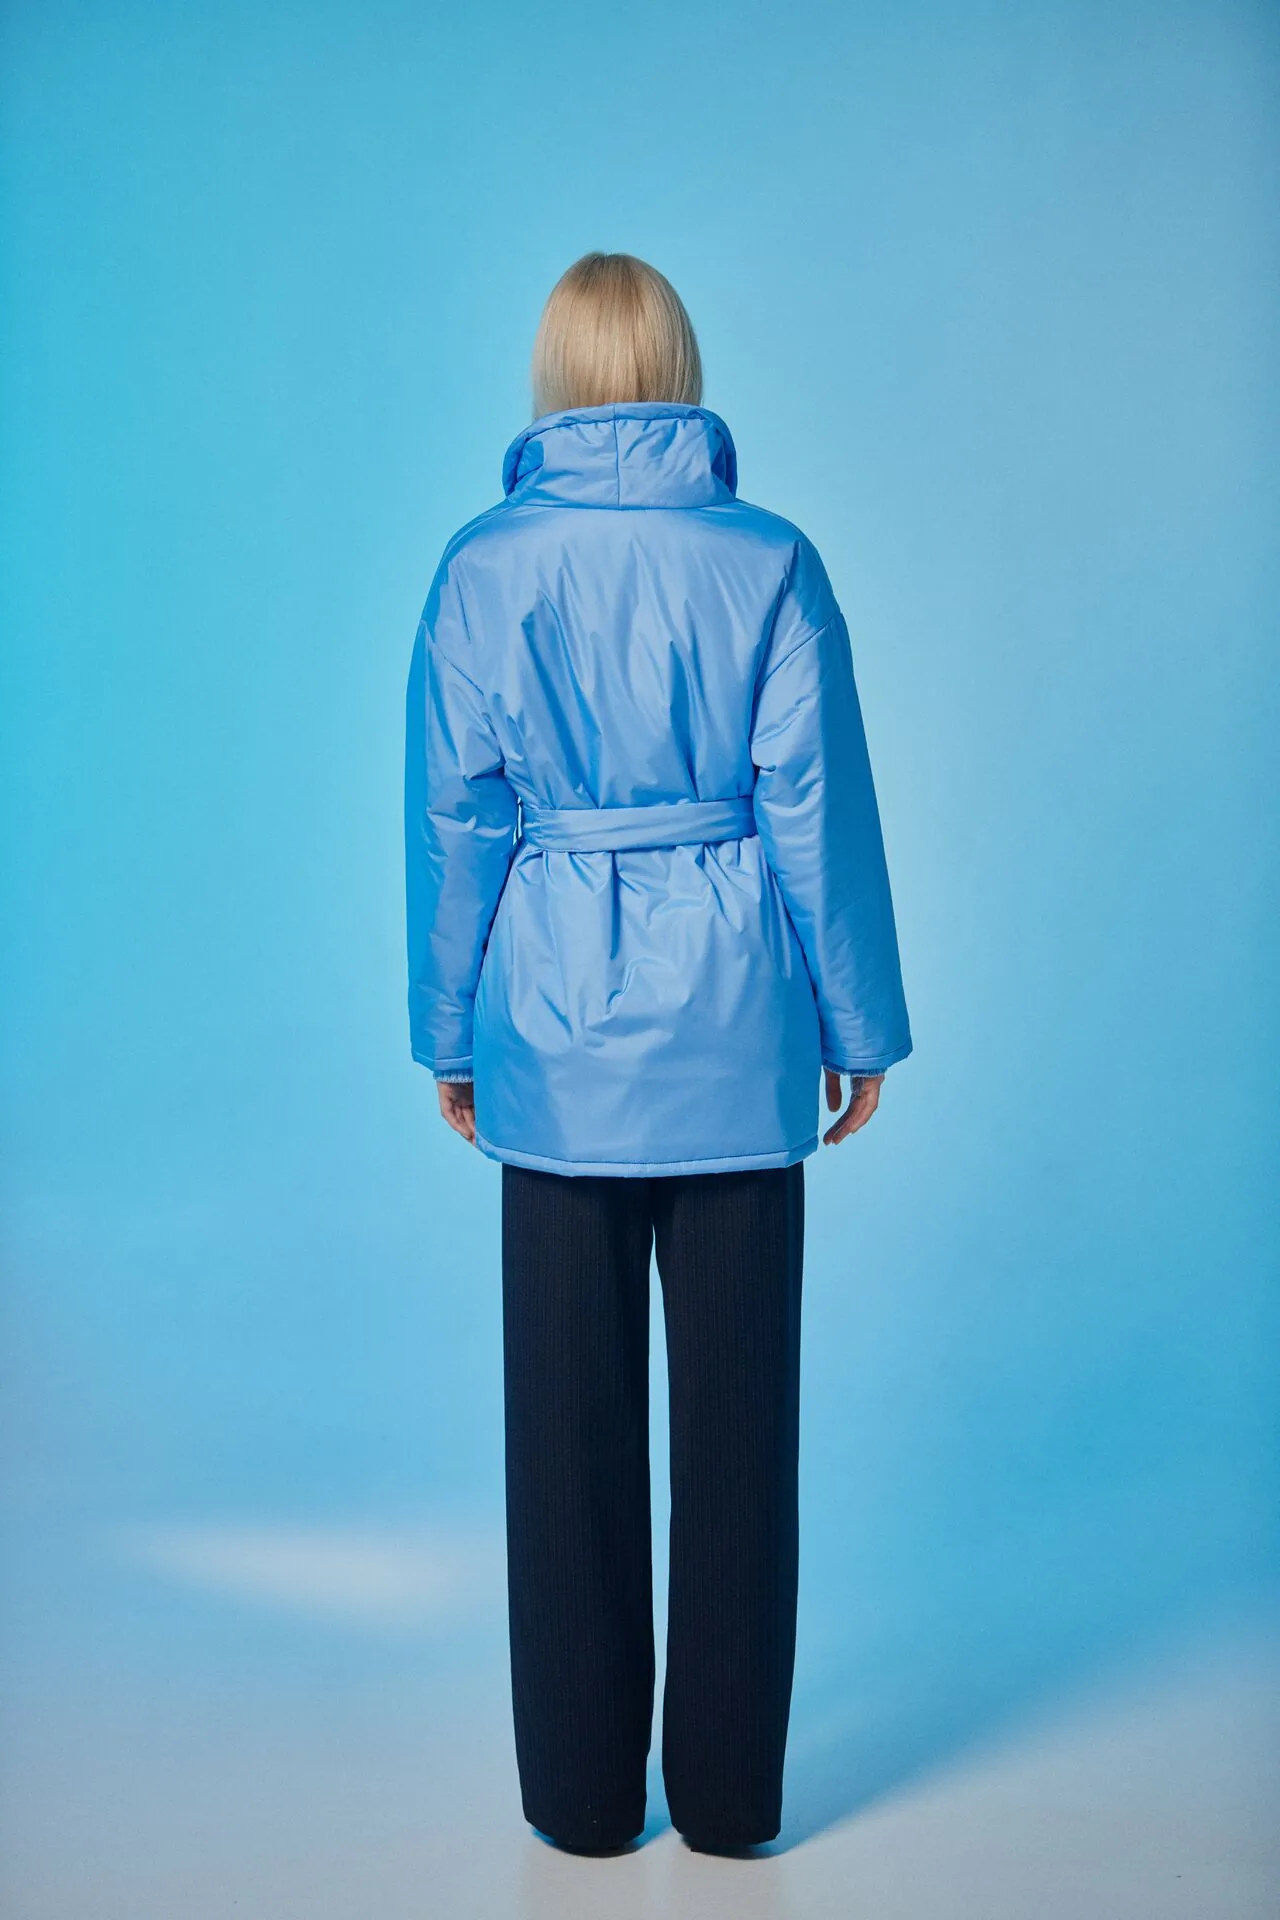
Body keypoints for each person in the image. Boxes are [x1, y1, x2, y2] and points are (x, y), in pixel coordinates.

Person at [403, 251, 912, 1855]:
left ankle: (575, 1800)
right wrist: (859, 1027)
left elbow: (460, 820)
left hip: (551, 1037)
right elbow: (817, 808)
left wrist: (449, 1030)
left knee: (565, 1443)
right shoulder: (772, 562)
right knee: (742, 1438)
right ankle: (731, 1800)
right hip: (739, 1031)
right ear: (680, 368)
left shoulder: (481, 569)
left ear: (554, 375)